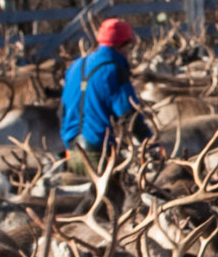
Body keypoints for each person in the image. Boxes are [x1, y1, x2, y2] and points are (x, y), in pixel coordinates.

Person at [61, 18, 151, 176]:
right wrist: (150, 142)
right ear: (123, 45)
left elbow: (61, 110)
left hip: (71, 153)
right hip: (98, 154)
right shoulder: (114, 70)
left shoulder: (76, 65)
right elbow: (128, 114)